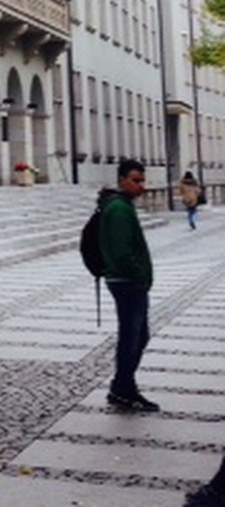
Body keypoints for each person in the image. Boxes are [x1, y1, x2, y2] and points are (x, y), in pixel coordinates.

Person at [99, 158, 158, 412]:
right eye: (136, 180)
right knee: (132, 336)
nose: (141, 186)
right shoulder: (119, 209)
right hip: (127, 282)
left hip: (125, 280)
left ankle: (123, 384)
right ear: (122, 180)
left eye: (143, 180)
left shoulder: (119, 205)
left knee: (136, 334)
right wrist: (139, 276)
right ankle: (122, 387)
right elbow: (123, 252)